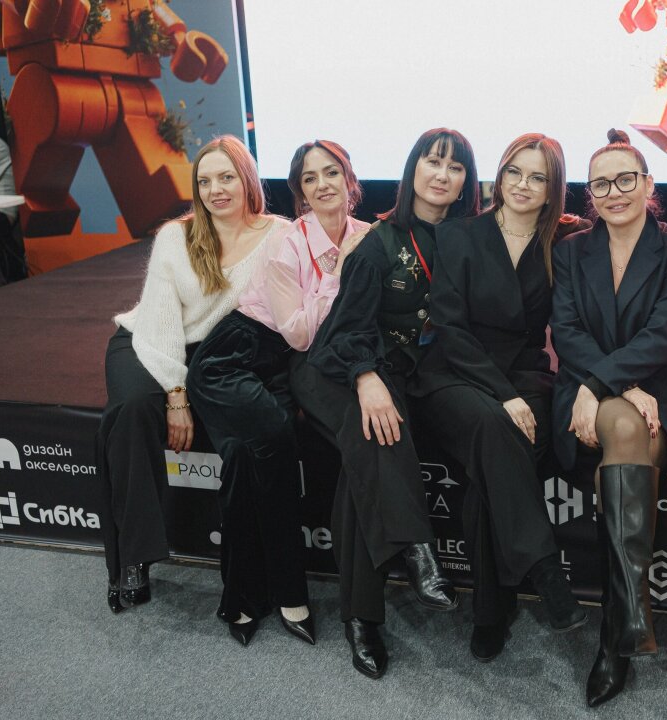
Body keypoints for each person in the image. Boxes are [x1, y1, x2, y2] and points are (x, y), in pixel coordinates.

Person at [292, 128, 480, 678]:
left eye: (455, 167)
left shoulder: (467, 240)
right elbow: (347, 330)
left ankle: (361, 618)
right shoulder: (378, 242)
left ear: (467, 181)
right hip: (335, 368)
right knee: (376, 432)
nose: (442, 175)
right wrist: (366, 376)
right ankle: (419, 553)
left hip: (398, 373)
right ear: (412, 169)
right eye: (432, 162)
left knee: (363, 467)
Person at [411, 132, 589, 662]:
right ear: (500, 174)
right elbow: (449, 326)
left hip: (528, 376)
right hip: (454, 373)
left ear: (553, 188)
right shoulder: (460, 234)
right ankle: (546, 572)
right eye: (515, 171)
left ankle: (490, 609)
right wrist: (504, 395)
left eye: (537, 177)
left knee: (490, 469)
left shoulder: (565, 241)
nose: (523, 185)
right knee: (496, 427)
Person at [186, 139, 369, 647]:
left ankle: (242, 597)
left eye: (331, 172)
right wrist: (337, 272)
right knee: (275, 448)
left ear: (350, 179)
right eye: (309, 178)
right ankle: (288, 592)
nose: (322, 184)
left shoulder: (367, 236)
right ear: (300, 192)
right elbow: (300, 333)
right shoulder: (289, 241)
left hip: (278, 370)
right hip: (231, 358)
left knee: (244, 461)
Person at [95, 136, 281, 614]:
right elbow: (160, 322)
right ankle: (133, 559)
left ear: (248, 179)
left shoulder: (279, 235)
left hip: (214, 355)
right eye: (205, 181)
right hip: (147, 341)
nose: (216, 190)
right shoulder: (175, 237)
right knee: (133, 410)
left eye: (227, 178)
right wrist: (176, 394)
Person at [549, 129, 667, 707]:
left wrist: (601, 384)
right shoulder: (570, 250)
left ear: (648, 184)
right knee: (626, 426)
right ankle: (630, 614)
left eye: (625, 179)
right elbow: (566, 332)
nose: (613, 192)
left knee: (632, 432)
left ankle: (617, 631)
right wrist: (603, 385)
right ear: (590, 194)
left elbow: (666, 334)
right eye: (601, 184)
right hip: (588, 387)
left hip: (656, 390)